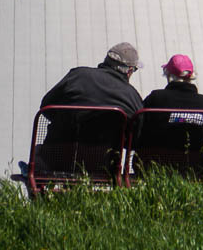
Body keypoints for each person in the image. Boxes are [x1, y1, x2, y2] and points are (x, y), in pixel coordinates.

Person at [33, 43, 144, 176]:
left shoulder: (77, 75)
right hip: (103, 167)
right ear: (129, 71)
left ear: (106, 61)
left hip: (53, 161)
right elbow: (137, 137)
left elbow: (46, 106)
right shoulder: (131, 96)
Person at [140, 54, 203, 169]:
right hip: (194, 169)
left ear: (168, 74)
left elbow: (139, 129)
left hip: (154, 166)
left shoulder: (156, 98)